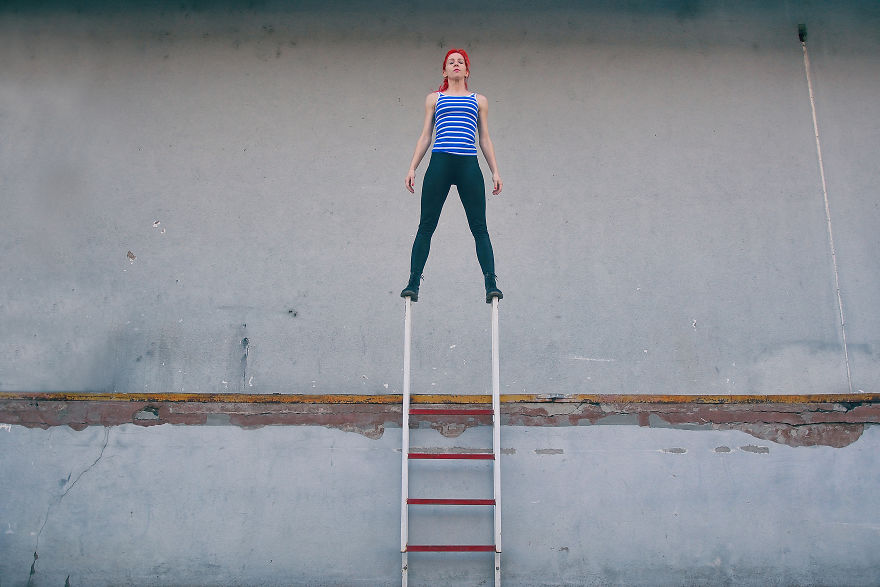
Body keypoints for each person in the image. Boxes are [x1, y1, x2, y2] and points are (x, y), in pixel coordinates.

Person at [400, 48, 503, 304]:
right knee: (426, 225)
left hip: (468, 164)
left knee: (479, 227)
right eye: (451, 62)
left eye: (460, 62)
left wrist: (495, 172)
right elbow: (426, 135)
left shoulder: (479, 100)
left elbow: (485, 139)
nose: (455, 64)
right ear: (445, 70)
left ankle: (491, 283)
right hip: (440, 162)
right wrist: (413, 166)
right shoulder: (434, 99)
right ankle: (413, 282)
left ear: (467, 70)